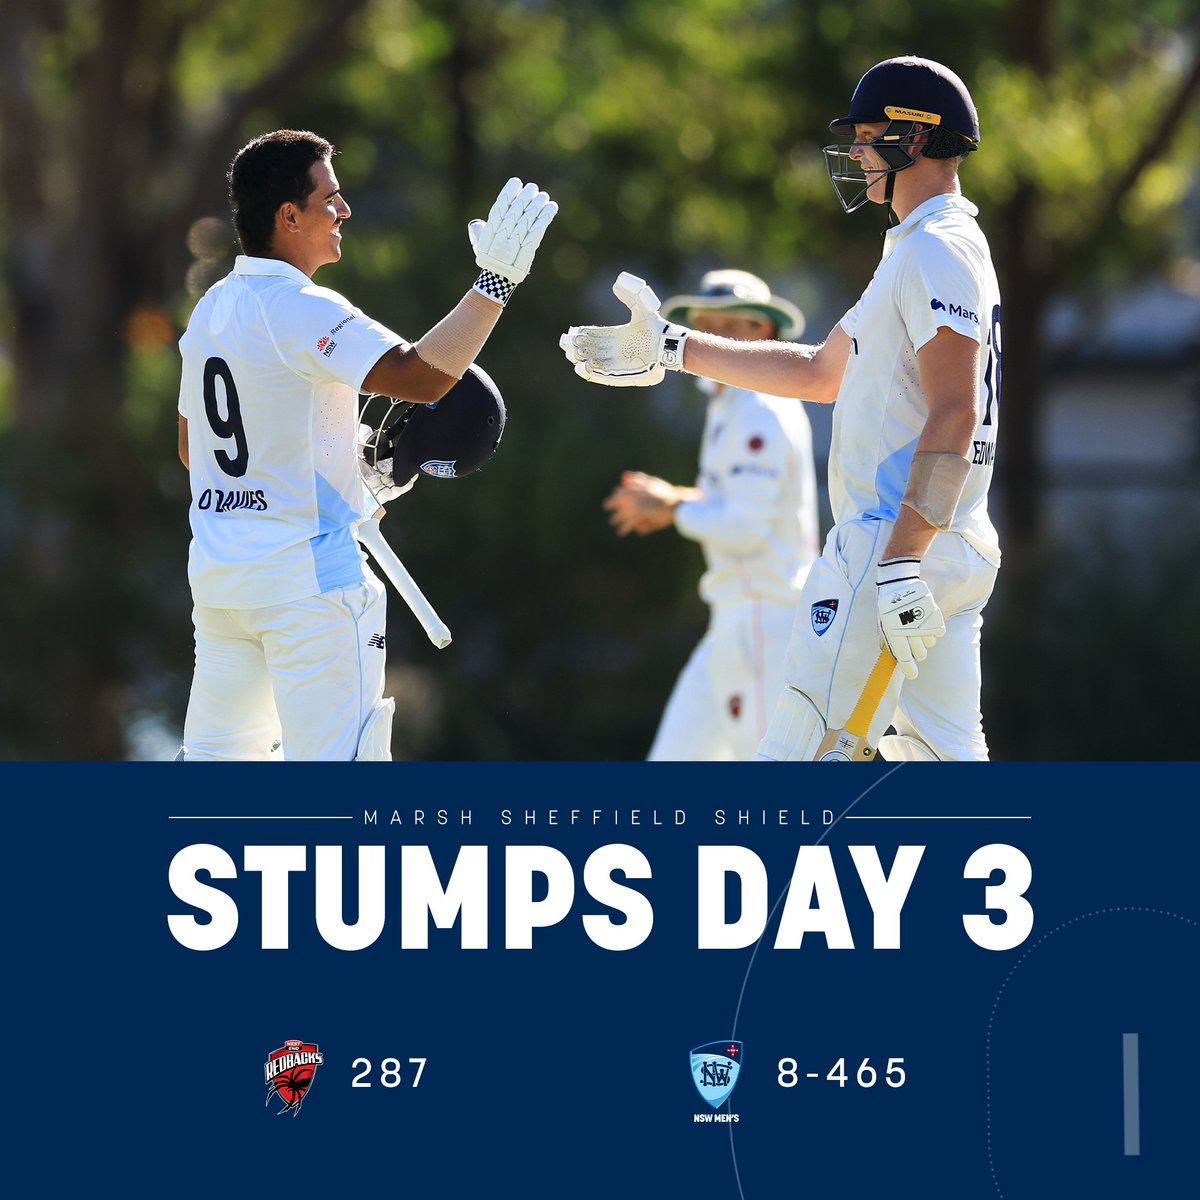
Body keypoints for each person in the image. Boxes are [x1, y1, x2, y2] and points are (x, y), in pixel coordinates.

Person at [562, 56, 1001, 761]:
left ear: (914, 139)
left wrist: (899, 562)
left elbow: (956, 412)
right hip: (948, 543)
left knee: (795, 760)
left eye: (867, 134)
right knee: (946, 768)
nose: (856, 151)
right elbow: (823, 371)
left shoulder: (934, 248)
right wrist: (673, 346)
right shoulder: (929, 247)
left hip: (894, 539)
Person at [175, 128, 556, 760]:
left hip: (221, 580)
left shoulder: (212, 306)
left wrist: (333, 460)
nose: (343, 210)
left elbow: (196, 451)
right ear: (288, 216)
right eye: (330, 198)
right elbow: (423, 377)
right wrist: (494, 287)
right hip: (308, 585)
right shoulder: (299, 304)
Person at [601, 269, 820, 760]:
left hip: (767, 621)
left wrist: (673, 507)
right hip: (733, 619)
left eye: (728, 326)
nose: (710, 338)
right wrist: (674, 499)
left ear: (761, 333)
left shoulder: (759, 407)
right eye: (702, 326)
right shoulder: (731, 404)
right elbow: (733, 503)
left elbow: (744, 527)